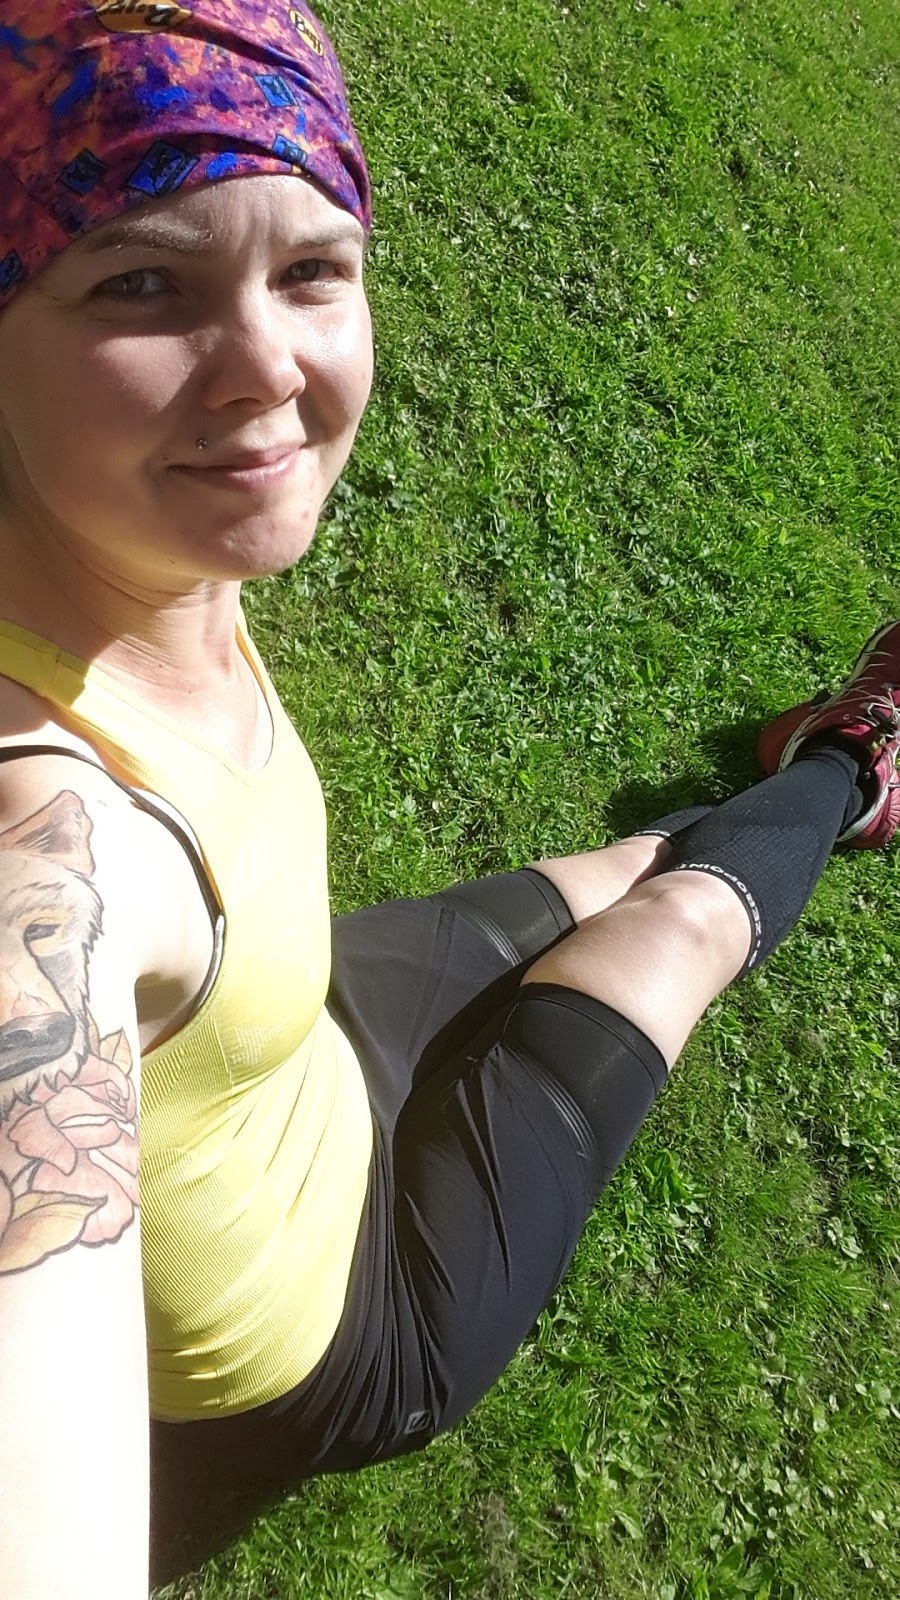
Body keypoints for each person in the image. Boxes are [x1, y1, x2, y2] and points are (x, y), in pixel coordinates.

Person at [0, 4, 897, 1595]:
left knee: (619, 870)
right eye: (140, 281)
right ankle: (851, 763)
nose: (269, 371)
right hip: (356, 1321)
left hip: (297, 1026)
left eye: (312, 269)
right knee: (682, 929)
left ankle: (714, 823)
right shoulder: (46, 844)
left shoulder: (147, 538)